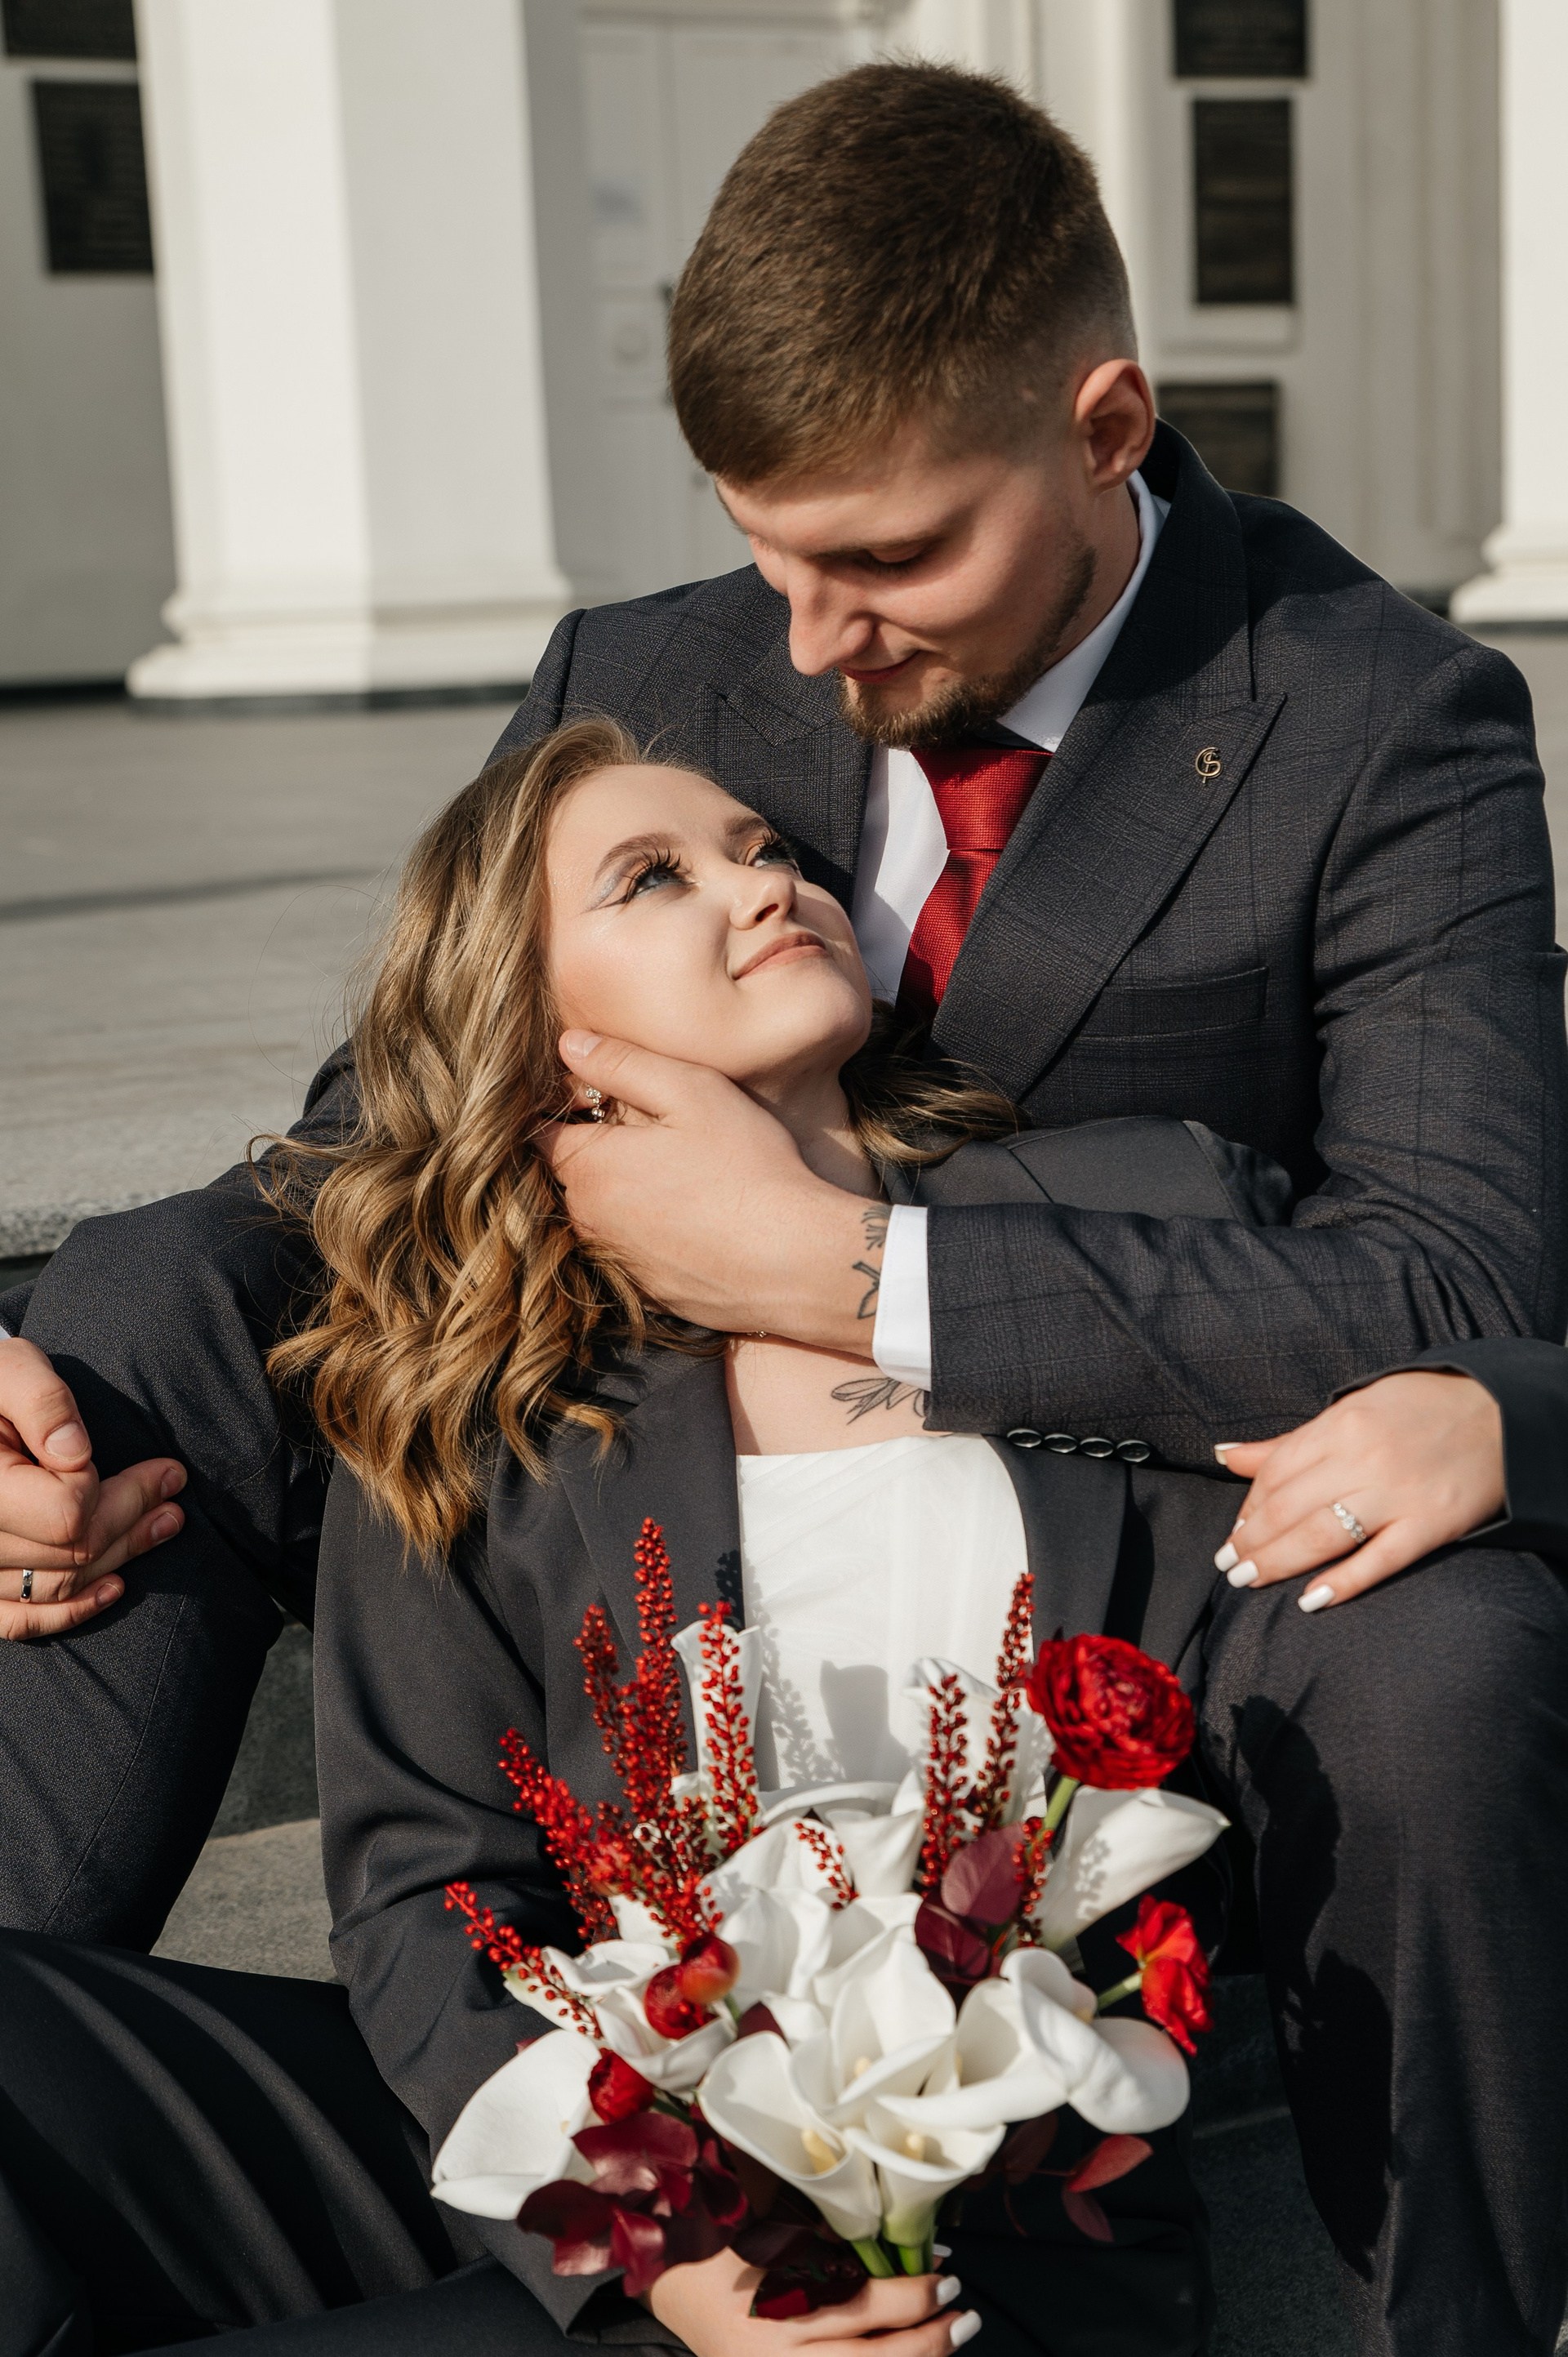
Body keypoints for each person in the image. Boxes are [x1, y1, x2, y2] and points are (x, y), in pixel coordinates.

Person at [0, 58, 1565, 2355]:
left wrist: (849, 1268)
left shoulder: (1377, 716)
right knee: (139, 1311)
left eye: (892, 558)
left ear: (1109, 427)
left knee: (1449, 1651)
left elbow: (1445, 1276)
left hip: (1118, 1536)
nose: (813, 639)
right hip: (627, 1472)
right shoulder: (653, 666)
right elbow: (397, 1121)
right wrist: (59, 1374)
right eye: (765, 546)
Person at [0, 724, 1303, 2357]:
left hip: (958, 2214)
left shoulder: (1141, 1210)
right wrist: (660, 2243)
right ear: (536, 1032)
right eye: (654, 878)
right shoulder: (477, 1383)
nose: (764, 884)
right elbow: (427, 1896)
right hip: (594, 2155)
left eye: (765, 849)